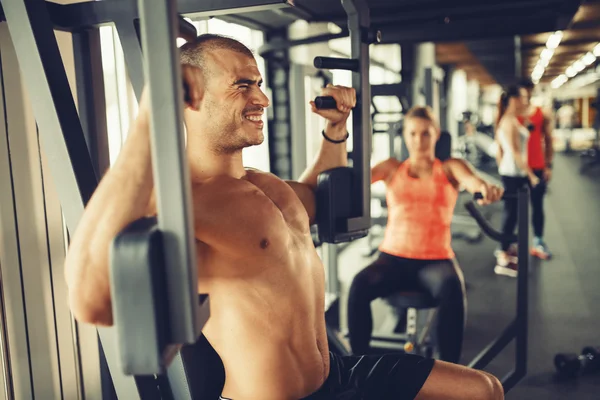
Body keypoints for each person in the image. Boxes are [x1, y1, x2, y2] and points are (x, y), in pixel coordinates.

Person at [64, 34, 503, 400]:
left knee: (483, 390)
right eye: (242, 86)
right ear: (188, 99)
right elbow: (89, 296)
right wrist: (149, 118)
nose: (263, 98)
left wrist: (334, 129)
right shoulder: (182, 202)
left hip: (338, 375)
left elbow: (317, 195)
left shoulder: (266, 184)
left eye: (258, 83)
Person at [347, 106, 504, 364]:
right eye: (413, 133)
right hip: (393, 258)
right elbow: (355, 183)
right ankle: (357, 368)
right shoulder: (390, 168)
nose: (419, 141)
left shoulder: (450, 168)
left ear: (437, 135)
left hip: (435, 259)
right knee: (359, 284)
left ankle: (448, 371)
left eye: (426, 134)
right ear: (405, 136)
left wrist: (485, 188)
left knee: (453, 287)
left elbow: (474, 181)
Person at [494, 84, 540, 277]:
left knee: (514, 214)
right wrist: (531, 175)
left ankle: (505, 248)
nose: (526, 100)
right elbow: (514, 152)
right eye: (522, 97)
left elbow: (500, 151)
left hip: (512, 172)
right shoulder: (508, 122)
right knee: (511, 214)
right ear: (513, 100)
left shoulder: (512, 120)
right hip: (513, 174)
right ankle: (502, 256)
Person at [518, 79, 553, 260]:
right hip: (517, 169)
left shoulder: (541, 113)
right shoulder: (510, 114)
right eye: (523, 93)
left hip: (537, 166)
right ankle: (509, 247)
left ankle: (538, 241)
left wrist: (548, 165)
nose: (526, 96)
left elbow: (548, 139)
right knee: (513, 209)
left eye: (528, 92)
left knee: (537, 206)